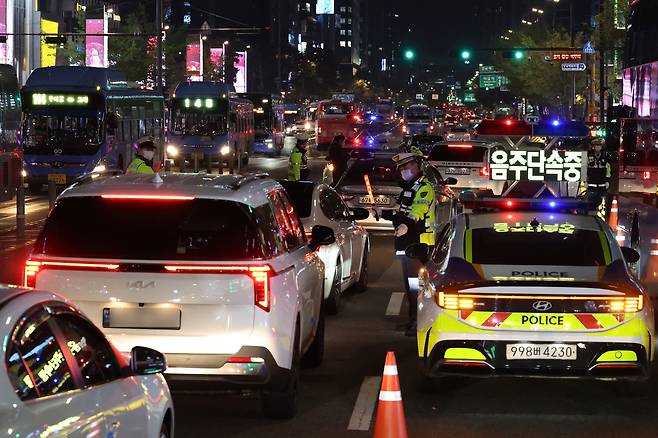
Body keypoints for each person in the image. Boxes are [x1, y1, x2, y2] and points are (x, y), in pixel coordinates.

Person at [382, 152, 436, 336]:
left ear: (418, 167)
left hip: (418, 245)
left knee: (417, 286)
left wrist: (406, 224)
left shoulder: (424, 188)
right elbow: (400, 212)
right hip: (405, 244)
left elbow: (418, 210)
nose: (404, 171)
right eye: (402, 169)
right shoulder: (408, 188)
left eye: (408, 167)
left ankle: (419, 322)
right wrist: (383, 213)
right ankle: (412, 319)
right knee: (410, 285)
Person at [587, 137, 612, 219]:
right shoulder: (588, 157)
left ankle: (601, 219)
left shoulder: (605, 158)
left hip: (602, 185)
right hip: (591, 185)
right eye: (596, 146)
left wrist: (607, 181)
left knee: (602, 204)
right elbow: (585, 169)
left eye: (599, 146)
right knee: (590, 204)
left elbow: (608, 170)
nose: (597, 147)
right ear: (593, 147)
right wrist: (585, 181)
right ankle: (590, 219)